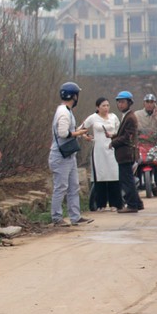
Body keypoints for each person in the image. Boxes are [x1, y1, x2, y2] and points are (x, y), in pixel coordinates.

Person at [49, 82, 92, 226]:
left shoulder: (65, 111)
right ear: (73, 96)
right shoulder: (63, 112)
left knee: (73, 186)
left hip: (68, 155)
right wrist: (78, 133)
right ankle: (56, 217)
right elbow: (63, 133)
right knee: (61, 187)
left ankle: (75, 216)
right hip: (61, 156)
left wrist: (79, 134)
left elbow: (68, 132)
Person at [81, 97, 123, 211]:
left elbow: (119, 131)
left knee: (114, 175)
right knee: (100, 177)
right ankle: (101, 204)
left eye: (107, 105)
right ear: (97, 107)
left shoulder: (114, 117)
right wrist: (86, 137)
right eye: (103, 106)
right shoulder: (93, 118)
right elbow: (81, 129)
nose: (106, 108)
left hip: (112, 149)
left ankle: (116, 204)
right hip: (99, 151)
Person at [107, 91, 144, 213]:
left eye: (123, 102)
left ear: (129, 103)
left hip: (126, 154)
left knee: (127, 181)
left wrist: (113, 142)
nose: (120, 105)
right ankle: (137, 203)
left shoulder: (130, 117)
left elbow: (127, 137)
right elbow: (123, 134)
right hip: (125, 154)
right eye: (118, 102)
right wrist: (113, 136)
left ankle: (132, 205)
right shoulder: (127, 116)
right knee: (129, 180)